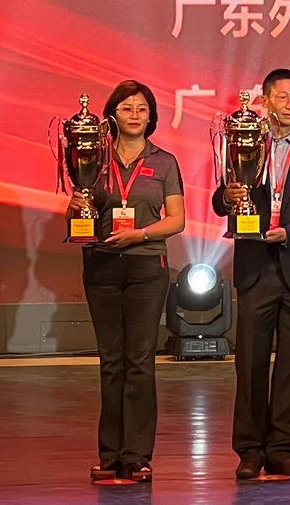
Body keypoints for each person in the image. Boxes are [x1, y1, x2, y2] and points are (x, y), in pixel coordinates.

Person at [212, 69, 290, 480]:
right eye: (282, 97)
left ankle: (283, 448)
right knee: (250, 362)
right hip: (255, 266)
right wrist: (228, 195)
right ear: (265, 100)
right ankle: (249, 450)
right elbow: (219, 200)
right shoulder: (242, 141)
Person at [67, 80, 186, 483]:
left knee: (139, 362)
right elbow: (79, 213)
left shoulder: (164, 162)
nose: (135, 115)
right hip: (101, 265)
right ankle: (109, 455)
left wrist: (141, 234)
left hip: (146, 266)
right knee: (111, 362)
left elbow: (177, 220)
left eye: (142, 108)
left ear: (151, 116)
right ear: (111, 115)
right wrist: (77, 207)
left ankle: (136, 456)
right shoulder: (93, 157)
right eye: (126, 108)